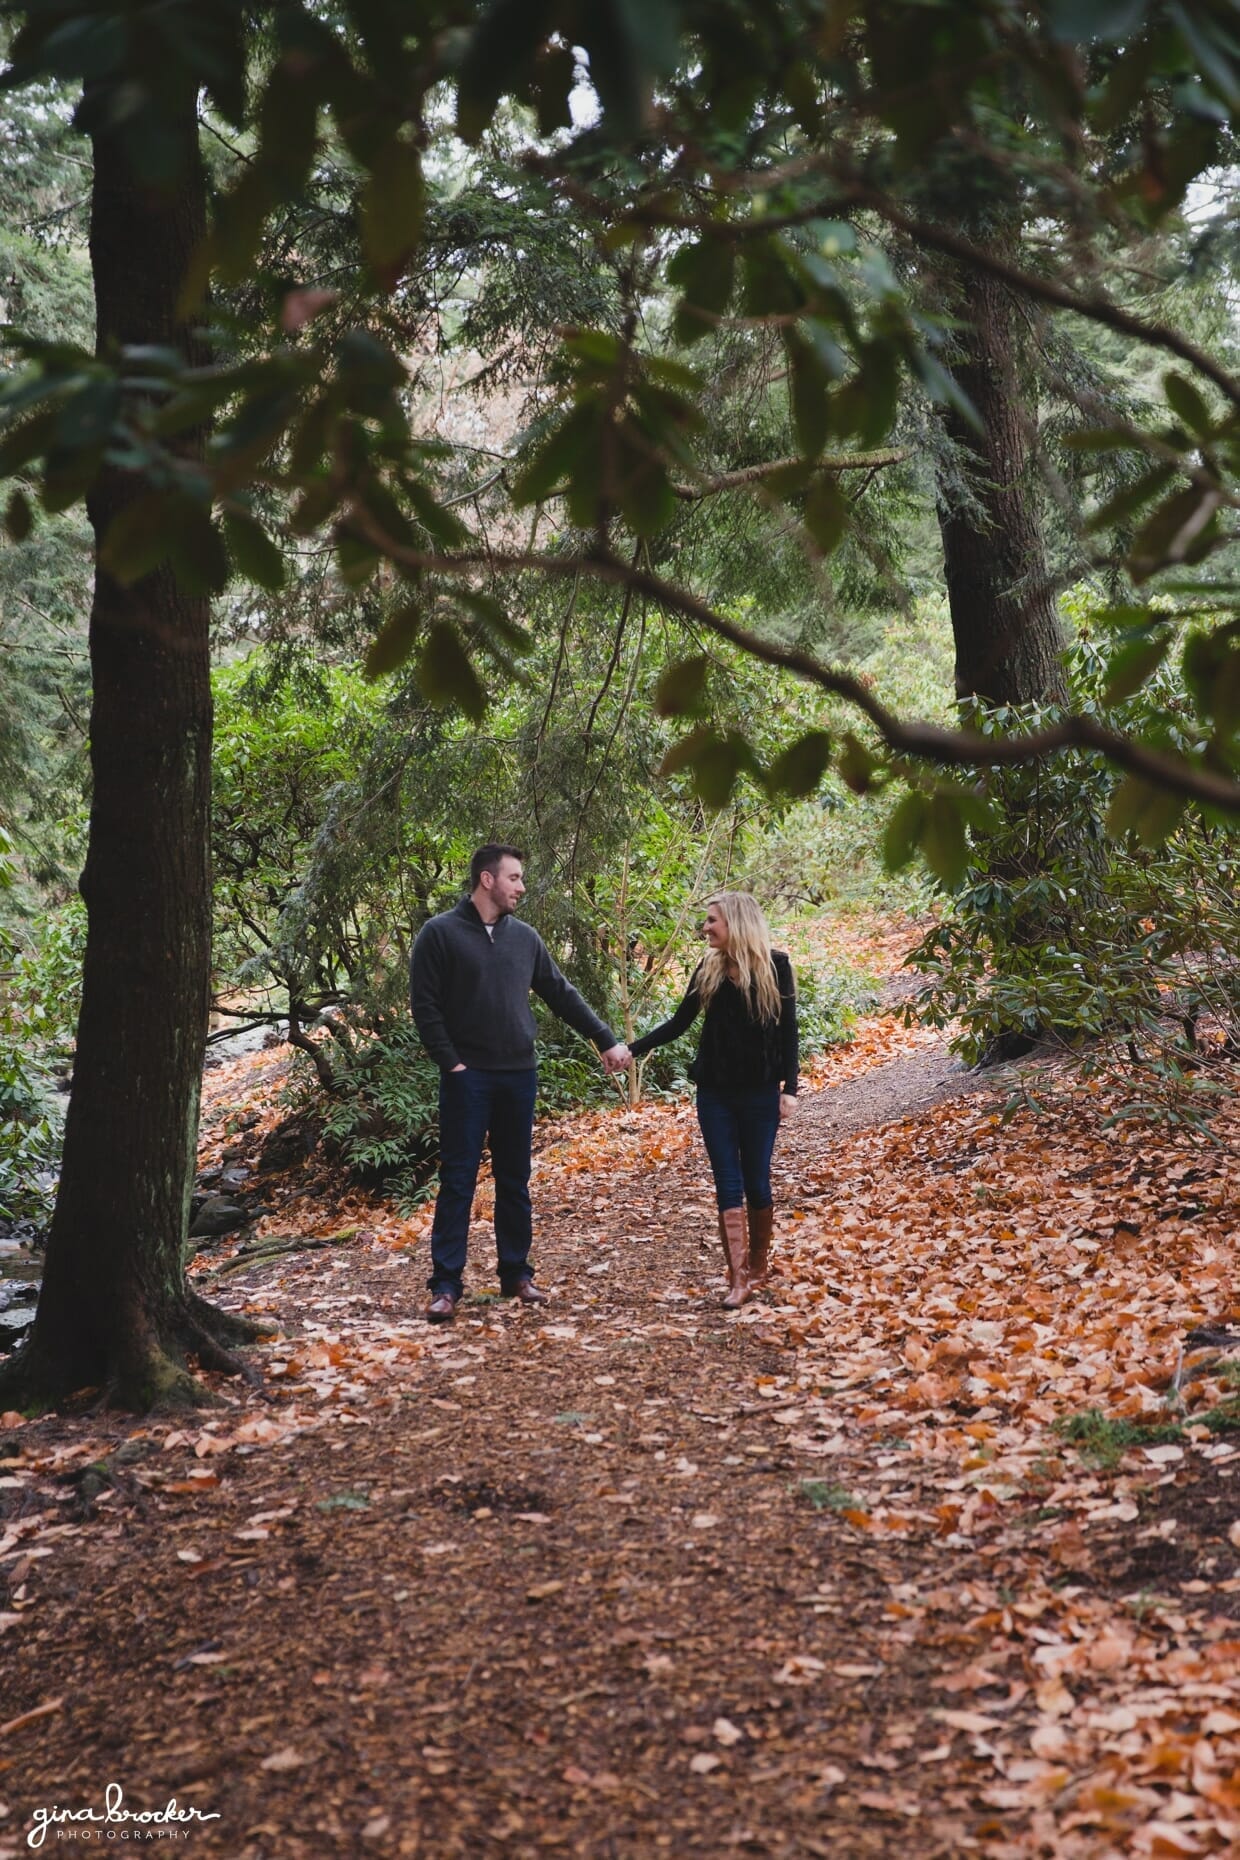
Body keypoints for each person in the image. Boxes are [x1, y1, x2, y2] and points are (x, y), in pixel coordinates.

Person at [410, 843, 631, 1323]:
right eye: (515, 878)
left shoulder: (524, 938)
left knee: (515, 1179)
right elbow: (424, 1007)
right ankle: (446, 1285)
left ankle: (516, 1274)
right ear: (487, 880)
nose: (521, 887)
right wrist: (451, 1064)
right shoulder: (439, 934)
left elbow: (560, 993)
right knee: (458, 1181)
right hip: (466, 1078)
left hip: (518, 1075)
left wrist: (606, 1039)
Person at [628, 892, 798, 1309]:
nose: (705, 928)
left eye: (711, 921)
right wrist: (629, 1050)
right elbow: (678, 1023)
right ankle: (737, 1277)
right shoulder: (708, 969)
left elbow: (788, 1033)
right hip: (715, 1095)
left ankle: (758, 1266)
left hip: (760, 1094)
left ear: (735, 923)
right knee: (728, 1181)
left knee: (757, 1180)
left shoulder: (776, 967)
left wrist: (790, 1089)